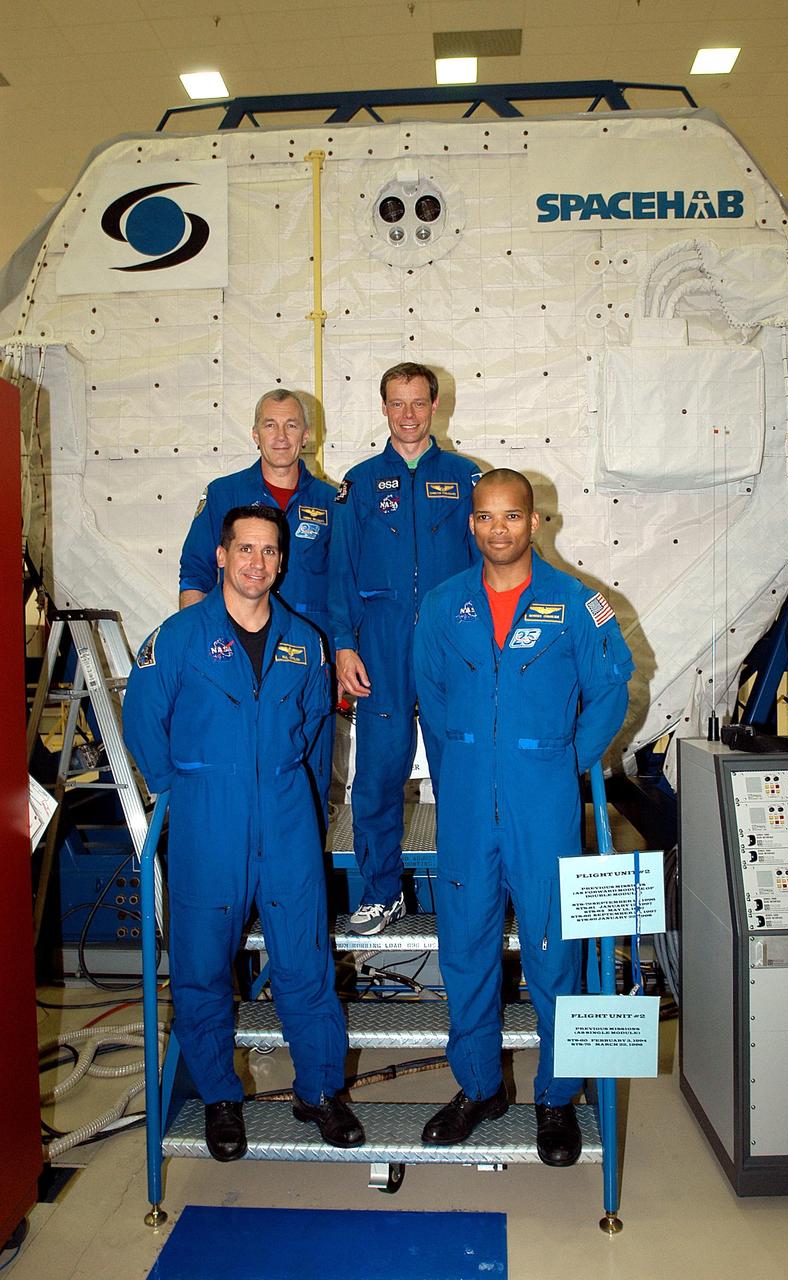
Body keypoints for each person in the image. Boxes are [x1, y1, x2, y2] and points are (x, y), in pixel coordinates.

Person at [123, 505, 363, 1161]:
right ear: (222, 557)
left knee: (306, 966)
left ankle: (318, 1092)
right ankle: (220, 1099)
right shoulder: (175, 637)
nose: (258, 562)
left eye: (269, 551)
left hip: (287, 818)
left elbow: (316, 729)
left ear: (281, 562)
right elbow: (143, 723)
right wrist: (186, 787)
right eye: (245, 549)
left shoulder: (304, 641)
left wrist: (301, 800)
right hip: (208, 818)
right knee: (201, 972)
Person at [413, 469, 633, 1166]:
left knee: (554, 952)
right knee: (466, 953)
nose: (496, 528)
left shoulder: (577, 605)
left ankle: (555, 1097)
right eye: (484, 517)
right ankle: (479, 1089)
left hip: (544, 808)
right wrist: (464, 764)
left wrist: (562, 759)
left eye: (510, 516)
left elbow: (610, 690)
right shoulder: (443, 605)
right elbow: (432, 693)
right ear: (471, 524)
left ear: (535, 522)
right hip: (469, 805)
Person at [329, 362, 480, 935]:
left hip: (450, 653)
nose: (408, 415)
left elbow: (485, 568)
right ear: (384, 408)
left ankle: (468, 889)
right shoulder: (360, 483)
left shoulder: (466, 479)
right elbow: (340, 573)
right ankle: (381, 892)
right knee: (376, 776)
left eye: (418, 403)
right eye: (397, 403)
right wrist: (344, 646)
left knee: (460, 774)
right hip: (382, 650)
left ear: (436, 405)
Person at [179, 390, 336, 822]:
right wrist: (198, 648)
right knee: (234, 768)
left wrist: (342, 653)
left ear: (306, 435)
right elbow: (194, 572)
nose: (281, 436)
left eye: (290, 426)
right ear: (254, 433)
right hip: (235, 658)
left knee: (307, 774)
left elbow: (346, 587)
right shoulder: (223, 494)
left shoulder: (333, 502)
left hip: (305, 664)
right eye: (270, 424)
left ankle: (299, 874)